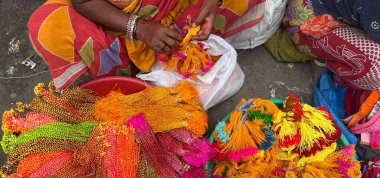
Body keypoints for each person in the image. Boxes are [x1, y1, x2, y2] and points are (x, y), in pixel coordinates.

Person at [28, 0, 267, 89]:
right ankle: (113, 83)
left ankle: (166, 61)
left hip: (181, 11)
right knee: (48, 26)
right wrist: (139, 28)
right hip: (115, 24)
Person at [282, 0, 380, 91]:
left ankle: (334, 60)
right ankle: (334, 67)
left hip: (319, 11)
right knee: (375, 66)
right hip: (305, 21)